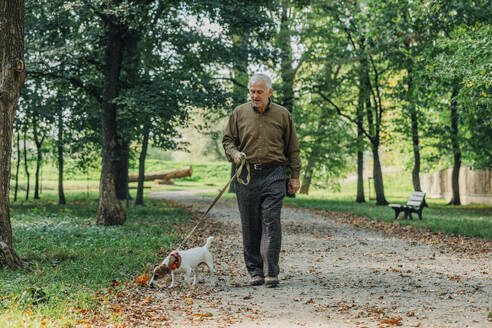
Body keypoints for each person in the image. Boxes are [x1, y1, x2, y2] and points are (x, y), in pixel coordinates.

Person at [222, 72, 301, 287]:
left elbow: (293, 148)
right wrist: (235, 154)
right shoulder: (239, 113)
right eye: (252, 91)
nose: (255, 96)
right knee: (250, 225)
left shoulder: (283, 115)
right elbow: (228, 140)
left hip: (274, 174)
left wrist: (294, 176)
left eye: (259, 92)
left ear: (269, 92)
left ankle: (271, 272)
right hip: (247, 176)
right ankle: (255, 271)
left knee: (271, 221)